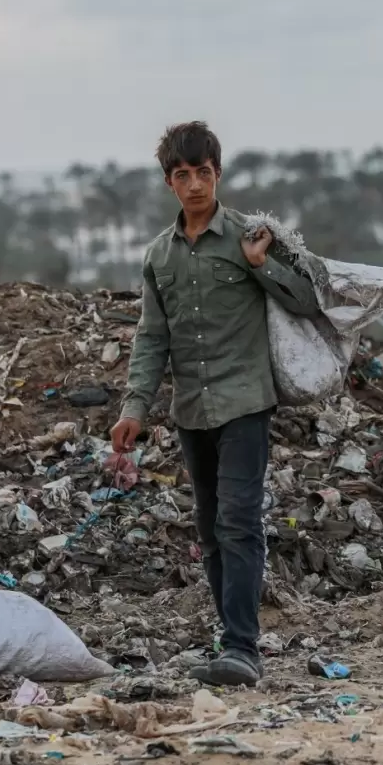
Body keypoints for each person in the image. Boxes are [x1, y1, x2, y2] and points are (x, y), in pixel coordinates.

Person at [111, 122, 321, 687]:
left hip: (246, 402)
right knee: (208, 528)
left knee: (238, 522)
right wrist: (135, 408)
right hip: (191, 409)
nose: (195, 184)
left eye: (204, 172)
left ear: (218, 174)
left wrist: (262, 266)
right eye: (183, 175)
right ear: (169, 183)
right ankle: (230, 638)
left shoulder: (250, 237)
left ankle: (241, 647)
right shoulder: (160, 256)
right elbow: (152, 338)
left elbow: (305, 301)